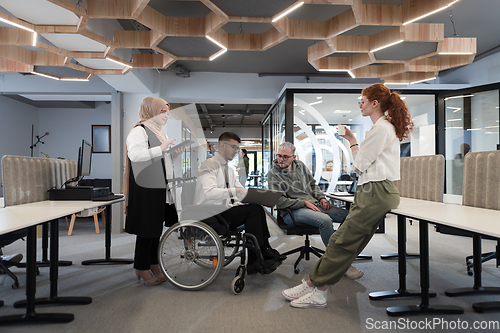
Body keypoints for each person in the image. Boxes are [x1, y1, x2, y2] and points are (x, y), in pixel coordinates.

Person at [282, 83, 412, 308]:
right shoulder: (384, 128)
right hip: (377, 191)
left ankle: (315, 286)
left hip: (375, 191)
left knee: (341, 243)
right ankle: (315, 286)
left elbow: (358, 165)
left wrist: (351, 140)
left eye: (362, 101)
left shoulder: (380, 129)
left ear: (375, 103)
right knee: (349, 245)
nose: (360, 105)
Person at [194, 132, 285, 274]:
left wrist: (263, 200)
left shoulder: (229, 169)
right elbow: (209, 193)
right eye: (233, 148)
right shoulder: (209, 165)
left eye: (237, 149)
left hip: (224, 210)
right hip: (210, 212)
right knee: (252, 211)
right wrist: (234, 190)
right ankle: (255, 260)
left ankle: (263, 249)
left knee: (257, 208)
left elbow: (242, 192)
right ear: (222, 146)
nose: (236, 152)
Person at [268, 142, 362, 280]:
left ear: (294, 157)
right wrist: (303, 202)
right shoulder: (273, 174)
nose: (280, 160)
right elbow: (279, 201)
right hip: (292, 211)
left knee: (350, 217)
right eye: (279, 156)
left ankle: (340, 251)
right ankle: (339, 263)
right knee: (325, 220)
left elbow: (313, 185)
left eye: (285, 157)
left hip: (314, 204)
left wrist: (322, 198)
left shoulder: (301, 166)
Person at [123, 96, 183, 286]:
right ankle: (141, 266)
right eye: (162, 112)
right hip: (146, 187)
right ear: (151, 111)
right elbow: (136, 156)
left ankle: (153, 263)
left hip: (158, 186)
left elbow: (159, 160)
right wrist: (161, 149)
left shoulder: (159, 133)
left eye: (167, 112)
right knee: (146, 228)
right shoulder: (139, 131)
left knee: (155, 228)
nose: (166, 115)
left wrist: (172, 155)